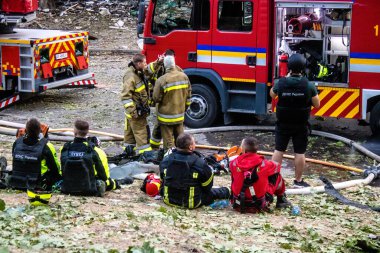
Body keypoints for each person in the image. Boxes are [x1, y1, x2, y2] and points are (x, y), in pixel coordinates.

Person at [270, 53, 320, 188]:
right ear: (303, 68)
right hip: (300, 125)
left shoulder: (281, 83)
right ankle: (298, 181)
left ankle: (272, 180)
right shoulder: (308, 85)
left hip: (283, 124)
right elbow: (317, 105)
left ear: (289, 67)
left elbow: (272, 95)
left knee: (279, 150)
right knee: (299, 152)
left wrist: (285, 80)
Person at [159, 133, 230, 209]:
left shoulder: (166, 160)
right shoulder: (200, 164)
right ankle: (227, 191)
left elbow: (162, 181)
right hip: (192, 203)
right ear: (190, 147)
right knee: (219, 192)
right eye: (194, 143)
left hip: (169, 200)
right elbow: (207, 188)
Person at [230, 137, 291, 213]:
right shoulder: (264, 163)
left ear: (243, 149)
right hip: (258, 206)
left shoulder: (233, 163)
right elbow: (277, 166)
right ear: (256, 149)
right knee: (277, 176)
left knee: (236, 176)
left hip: (238, 205)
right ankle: (281, 200)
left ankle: (234, 198)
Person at [60, 120, 118, 196]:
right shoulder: (96, 150)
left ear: (74, 132)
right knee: (109, 182)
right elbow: (104, 176)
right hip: (89, 189)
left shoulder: (64, 149)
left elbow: (61, 170)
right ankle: (119, 183)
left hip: (67, 188)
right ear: (87, 132)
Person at [145, 49, 184, 150]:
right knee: (159, 126)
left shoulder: (178, 70)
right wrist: (157, 62)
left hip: (169, 105)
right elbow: (146, 73)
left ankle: (168, 151)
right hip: (164, 105)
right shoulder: (157, 67)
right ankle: (154, 147)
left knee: (165, 128)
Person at [9, 118, 61, 191]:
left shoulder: (17, 143)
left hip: (17, 183)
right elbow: (55, 169)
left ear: (26, 131)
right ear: (39, 131)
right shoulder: (46, 146)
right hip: (36, 184)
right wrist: (45, 137)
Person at [153, 55, 191, 150]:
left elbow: (156, 98)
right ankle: (183, 157)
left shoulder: (161, 80)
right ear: (174, 64)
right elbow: (189, 95)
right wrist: (184, 108)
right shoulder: (184, 76)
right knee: (181, 140)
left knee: (168, 143)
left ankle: (170, 159)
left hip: (166, 118)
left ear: (165, 66)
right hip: (179, 115)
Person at [121, 53, 152, 154]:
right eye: (144, 62)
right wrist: (134, 112)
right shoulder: (131, 76)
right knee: (143, 137)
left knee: (129, 138)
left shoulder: (137, 72)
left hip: (131, 113)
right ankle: (146, 157)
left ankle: (129, 155)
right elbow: (125, 96)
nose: (146, 64)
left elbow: (149, 71)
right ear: (138, 63)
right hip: (136, 114)